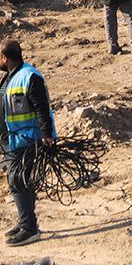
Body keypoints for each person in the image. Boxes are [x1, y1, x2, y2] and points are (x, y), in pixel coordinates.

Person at [0, 39, 56, 246]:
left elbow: (41, 107)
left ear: (5, 58)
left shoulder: (29, 76)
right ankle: (25, 221)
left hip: (26, 139)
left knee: (19, 180)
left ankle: (29, 228)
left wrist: (47, 135)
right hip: (10, 139)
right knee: (17, 180)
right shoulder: (10, 77)